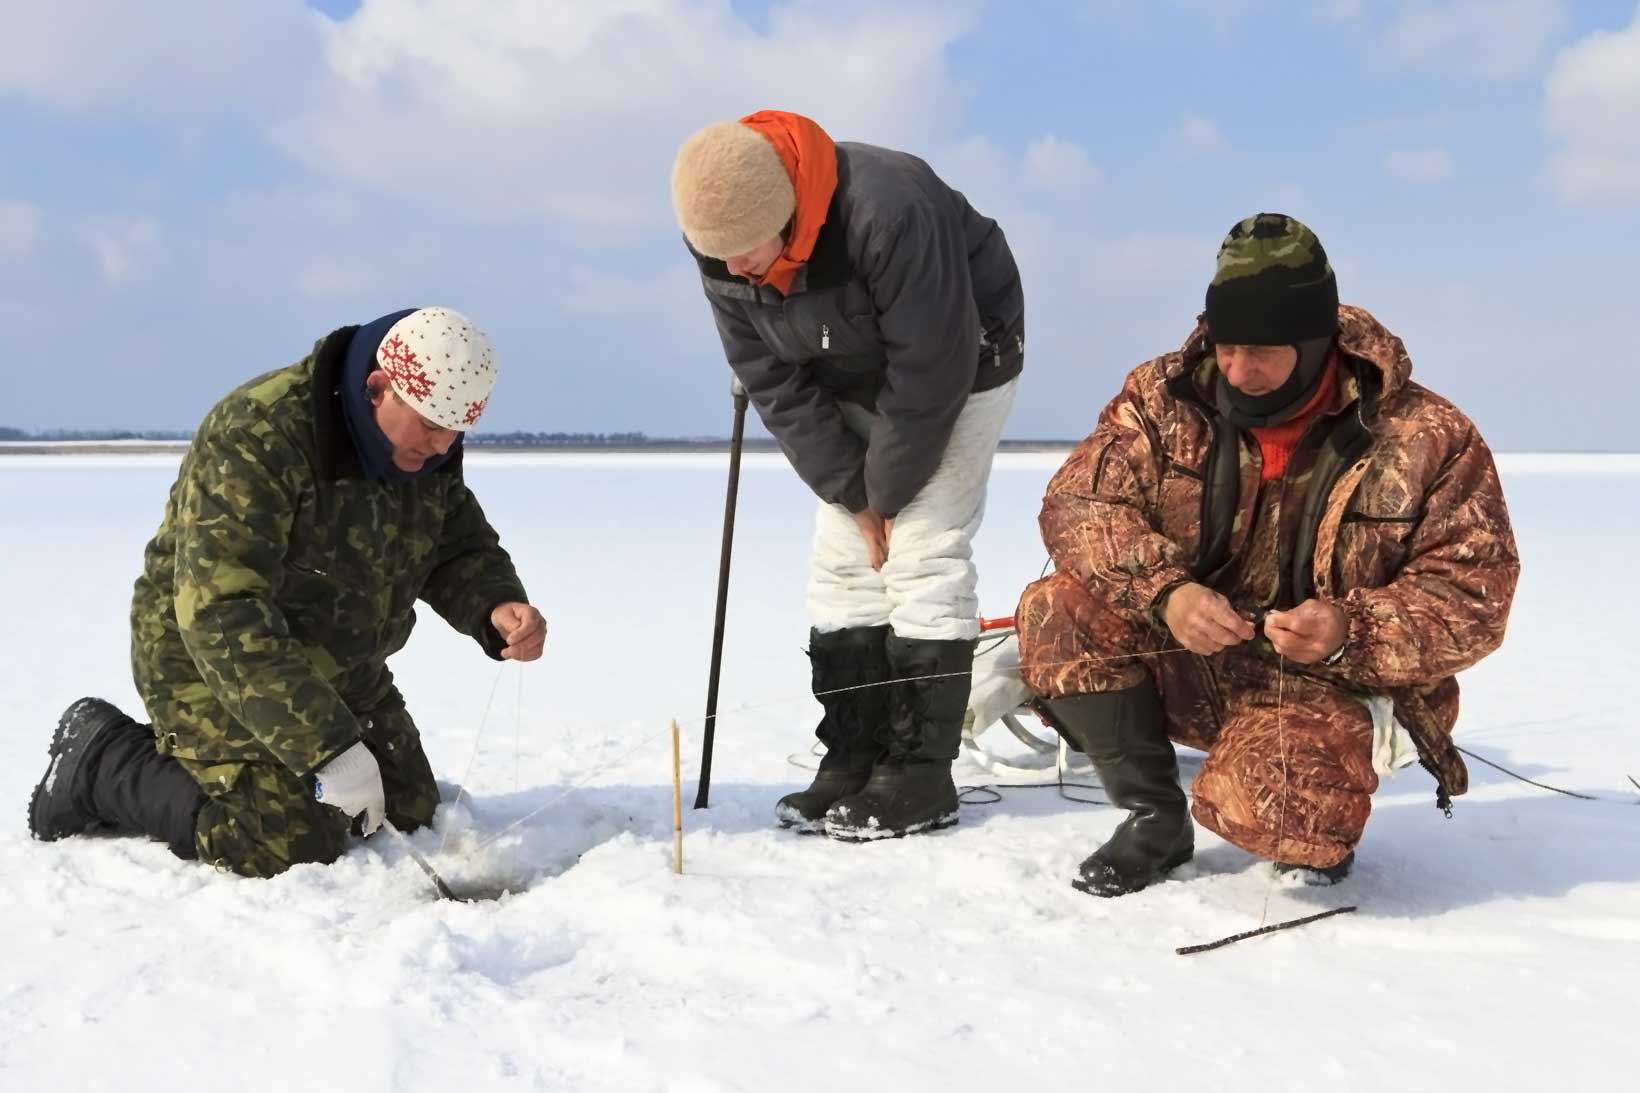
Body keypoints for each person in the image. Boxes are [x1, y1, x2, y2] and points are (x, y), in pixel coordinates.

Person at [1015, 213, 1518, 895]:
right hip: (1190, 657)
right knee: (1056, 611)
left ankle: (1315, 823)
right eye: (1226, 345)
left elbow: (1473, 595)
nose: (1238, 369)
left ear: (1315, 343)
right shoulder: (1163, 397)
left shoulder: (1428, 435)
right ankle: (1153, 819)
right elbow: (1078, 504)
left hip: (1323, 688)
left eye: (1264, 351)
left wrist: (1348, 631)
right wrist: (1168, 594)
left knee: (1274, 810)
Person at [28, 307, 547, 877]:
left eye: (456, 429)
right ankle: (101, 760)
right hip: (209, 667)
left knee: (407, 809)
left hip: (342, 666)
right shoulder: (257, 434)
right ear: (378, 389)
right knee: (290, 836)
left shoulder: (426, 450)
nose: (442, 443)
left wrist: (495, 605)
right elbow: (221, 614)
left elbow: (455, 543)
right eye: (428, 423)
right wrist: (325, 744)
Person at [670, 110, 1024, 840]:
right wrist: (851, 493)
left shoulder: (888, 212)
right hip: (845, 369)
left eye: (743, 254)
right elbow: (773, 381)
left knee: (921, 546)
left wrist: (886, 499)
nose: (732, 271)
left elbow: (929, 373)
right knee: (842, 566)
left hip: (964, 362)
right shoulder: (719, 240)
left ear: (785, 214)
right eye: (717, 258)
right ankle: (853, 756)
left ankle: (920, 775)